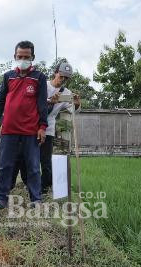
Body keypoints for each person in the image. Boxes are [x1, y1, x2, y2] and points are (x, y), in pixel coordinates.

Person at [0, 40, 48, 208]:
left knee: (34, 167)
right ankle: (1, 199)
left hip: (31, 131)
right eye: (19, 56)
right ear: (14, 56)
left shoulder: (39, 78)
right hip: (9, 130)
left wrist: (42, 127)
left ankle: (36, 200)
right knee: (5, 165)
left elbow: (42, 104)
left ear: (32, 57)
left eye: (26, 57)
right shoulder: (8, 76)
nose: (23, 59)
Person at [41, 61, 80, 192]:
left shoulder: (66, 93)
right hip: (33, 127)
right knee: (29, 159)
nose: (62, 80)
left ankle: (45, 187)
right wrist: (49, 101)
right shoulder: (42, 85)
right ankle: (29, 184)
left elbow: (73, 110)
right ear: (55, 73)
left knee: (46, 161)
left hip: (49, 128)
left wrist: (77, 104)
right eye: (61, 76)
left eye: (66, 78)